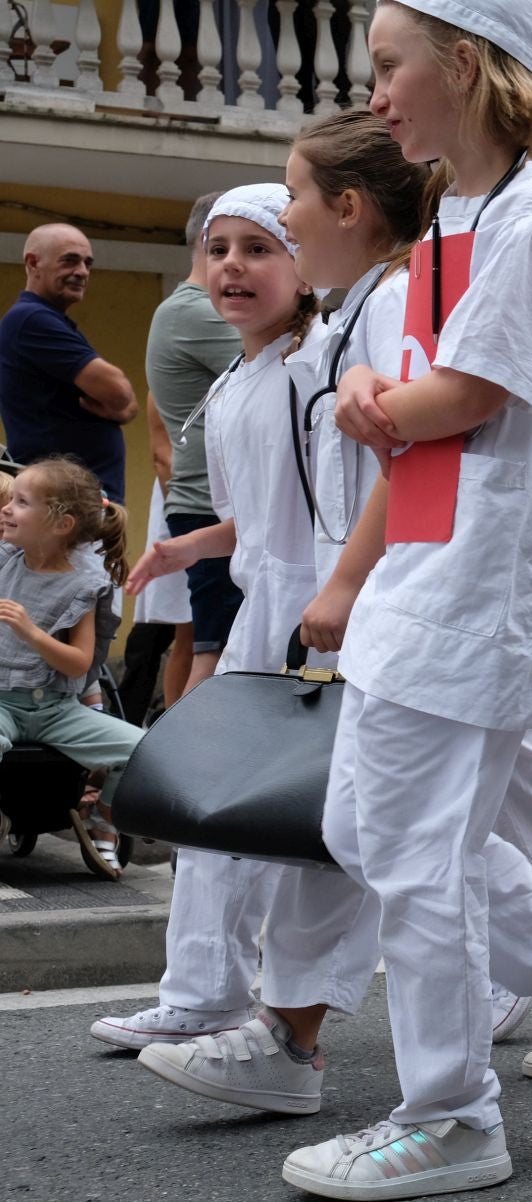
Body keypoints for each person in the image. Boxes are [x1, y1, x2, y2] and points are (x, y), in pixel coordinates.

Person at [128, 108, 532, 1124]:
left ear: (346, 206)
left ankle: (411, 1064)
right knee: (380, 826)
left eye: (287, 205)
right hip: (412, 590)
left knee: (396, 831)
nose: (280, 227)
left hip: (426, 591)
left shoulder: (415, 282)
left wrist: (345, 579)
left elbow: (420, 443)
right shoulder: (363, 307)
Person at [296, 0, 532, 1196]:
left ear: (464, 64)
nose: (379, 94)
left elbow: (460, 394)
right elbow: (402, 383)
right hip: (430, 559)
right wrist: (370, 389)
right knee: (365, 825)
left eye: (392, 67)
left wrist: (383, 399)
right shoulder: (453, 220)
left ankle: (454, 1114)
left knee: (409, 847)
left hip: (489, 571)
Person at [97, 185, 322, 1061]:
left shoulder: (319, 368)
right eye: (219, 249)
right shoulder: (233, 381)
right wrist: (189, 550)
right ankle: (200, 994)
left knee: (400, 819)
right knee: (220, 809)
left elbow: (336, 511)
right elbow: (255, 522)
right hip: (266, 609)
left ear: (303, 264)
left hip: (321, 619)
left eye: (259, 249)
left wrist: (332, 599)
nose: (233, 265)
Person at [0, 457, 142, 877]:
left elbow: (80, 663)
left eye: (21, 502)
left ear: (60, 525)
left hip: (56, 708)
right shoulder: (5, 559)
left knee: (145, 751)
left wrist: (33, 633)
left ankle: (104, 817)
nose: (8, 508)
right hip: (3, 700)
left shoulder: (84, 584)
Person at [145, 192, 246, 693]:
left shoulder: (186, 310)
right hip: (210, 505)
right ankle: (185, 770)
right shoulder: (195, 313)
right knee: (217, 653)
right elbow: (289, 354)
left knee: (213, 649)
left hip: (206, 502)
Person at [0, 225, 137, 502]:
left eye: (88, 263)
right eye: (70, 260)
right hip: (62, 503)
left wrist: (120, 408)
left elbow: (127, 404)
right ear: (33, 262)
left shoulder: (47, 320)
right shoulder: (32, 320)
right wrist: (117, 404)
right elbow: (119, 390)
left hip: (72, 501)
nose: (82, 272)